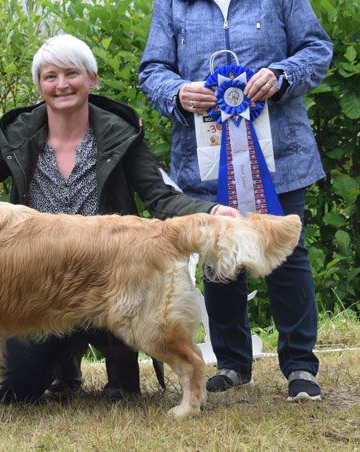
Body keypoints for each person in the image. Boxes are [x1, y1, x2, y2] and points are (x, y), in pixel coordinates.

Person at [0, 33, 239, 402]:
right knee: (14, 391)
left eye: (72, 74)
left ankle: (123, 369)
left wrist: (209, 212)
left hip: (109, 269)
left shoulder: (121, 135)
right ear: (39, 85)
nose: (61, 84)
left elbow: (160, 196)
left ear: (92, 79)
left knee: (135, 334)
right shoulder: (19, 136)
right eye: (51, 76)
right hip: (40, 285)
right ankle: (63, 369)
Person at [138, 0, 332, 400]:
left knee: (289, 256)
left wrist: (281, 74)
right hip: (205, 161)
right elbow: (151, 70)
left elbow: (317, 49)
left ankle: (300, 365)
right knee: (216, 259)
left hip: (282, 159)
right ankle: (231, 362)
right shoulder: (171, 5)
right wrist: (177, 93)